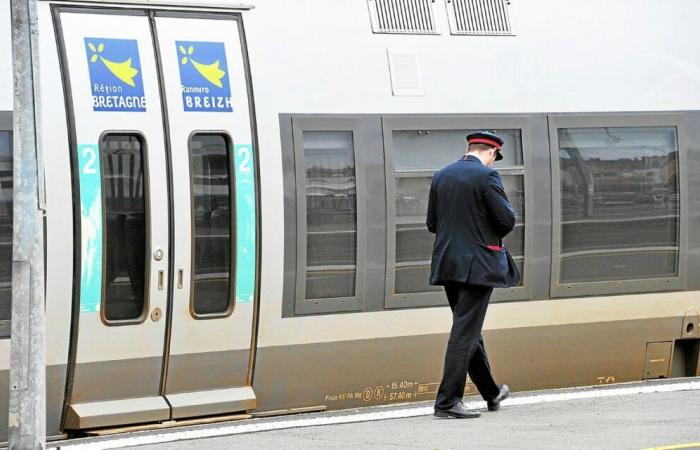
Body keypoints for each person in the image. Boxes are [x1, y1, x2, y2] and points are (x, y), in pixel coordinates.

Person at [427, 130, 520, 419]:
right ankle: (446, 403)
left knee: (469, 329)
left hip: (448, 264)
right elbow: (506, 221)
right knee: (464, 332)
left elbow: (432, 223)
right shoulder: (487, 177)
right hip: (479, 265)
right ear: (491, 153)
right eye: (494, 158)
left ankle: (491, 392)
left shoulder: (441, 175)